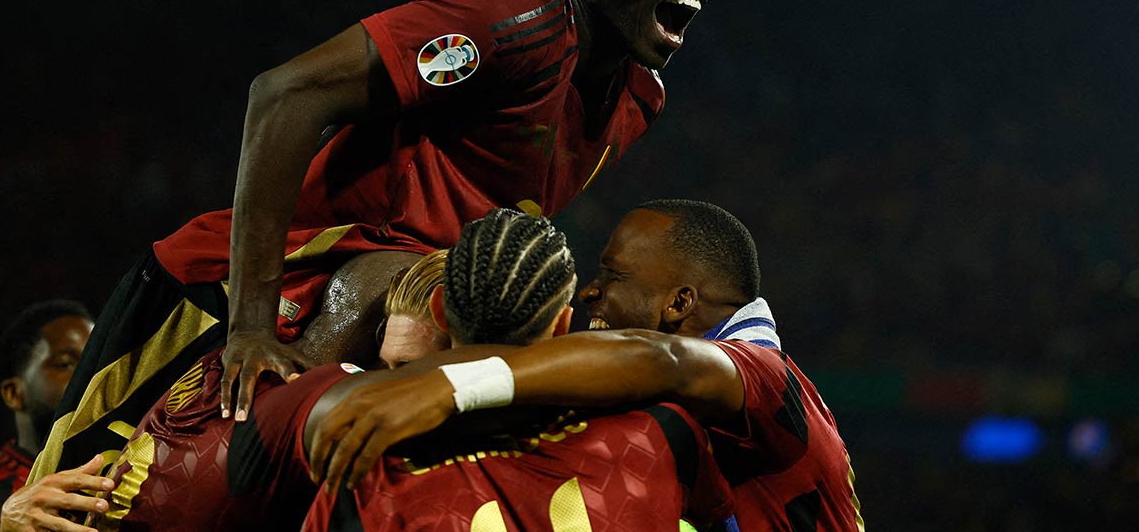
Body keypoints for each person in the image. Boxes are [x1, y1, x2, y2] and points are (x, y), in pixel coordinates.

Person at [32, 0, 723, 481]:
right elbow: (285, 92)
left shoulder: (639, 98)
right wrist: (251, 321)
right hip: (226, 300)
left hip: (388, 319)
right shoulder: (519, 19)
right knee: (74, 501)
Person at [312, 200, 865, 531]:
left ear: (679, 303)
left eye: (614, 275)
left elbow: (662, 358)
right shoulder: (654, 421)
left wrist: (453, 385)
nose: (593, 291)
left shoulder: (763, 373)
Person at [72, 252, 452, 532]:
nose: (392, 384)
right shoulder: (328, 399)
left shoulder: (219, 365)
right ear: (374, 339)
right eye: (394, 369)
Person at [0, 300, 95, 532]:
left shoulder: (128, 471)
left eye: (97, 363)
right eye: (66, 364)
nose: (90, 376)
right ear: (14, 394)